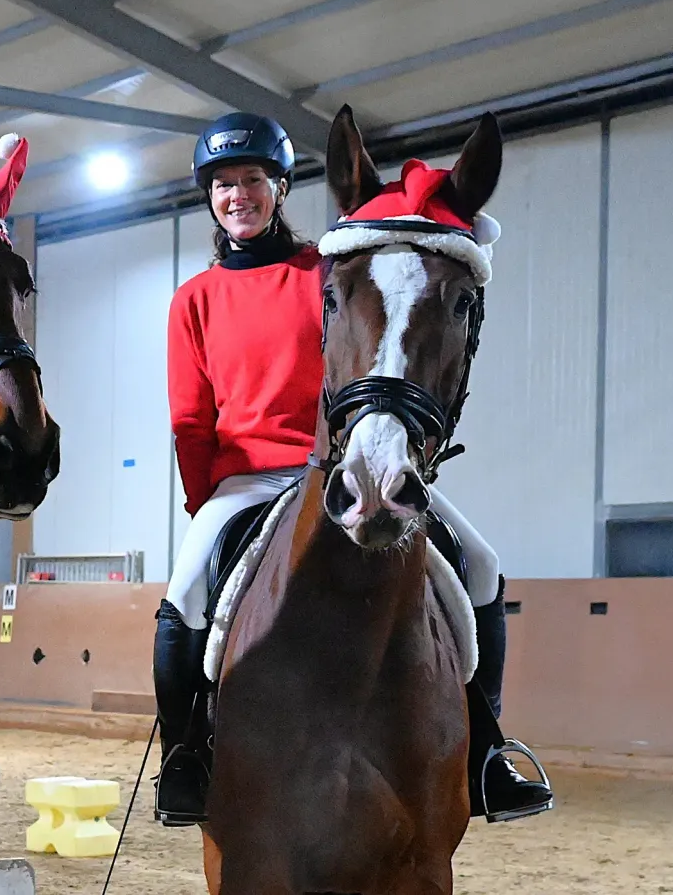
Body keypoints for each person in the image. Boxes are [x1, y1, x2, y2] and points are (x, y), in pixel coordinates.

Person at [152, 112, 553, 827]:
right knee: (185, 589)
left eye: (250, 180)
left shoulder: (332, 267)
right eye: (222, 185)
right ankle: (185, 754)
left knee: (483, 565)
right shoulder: (194, 300)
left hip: (345, 458)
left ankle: (486, 749)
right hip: (245, 479)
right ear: (208, 198)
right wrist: (206, 502)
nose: (236, 195)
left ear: (278, 187)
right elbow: (190, 417)